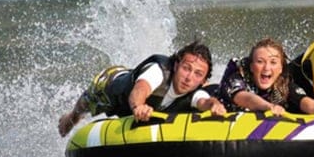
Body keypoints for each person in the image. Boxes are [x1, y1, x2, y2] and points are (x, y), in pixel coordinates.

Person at [58, 41, 227, 137]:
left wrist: (214, 105)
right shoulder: (159, 71)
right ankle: (70, 117)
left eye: (198, 74)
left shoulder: (196, 91)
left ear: (204, 80)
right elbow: (141, 89)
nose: (189, 78)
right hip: (111, 86)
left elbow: (204, 101)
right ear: (176, 65)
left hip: (133, 104)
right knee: (82, 109)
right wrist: (139, 106)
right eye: (186, 68)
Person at [217, 37, 314, 117]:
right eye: (260, 62)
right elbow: (245, 98)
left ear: (280, 69)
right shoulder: (237, 77)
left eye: (273, 63)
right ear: (252, 66)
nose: (267, 68)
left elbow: (311, 105)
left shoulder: (283, 84)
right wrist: (268, 107)